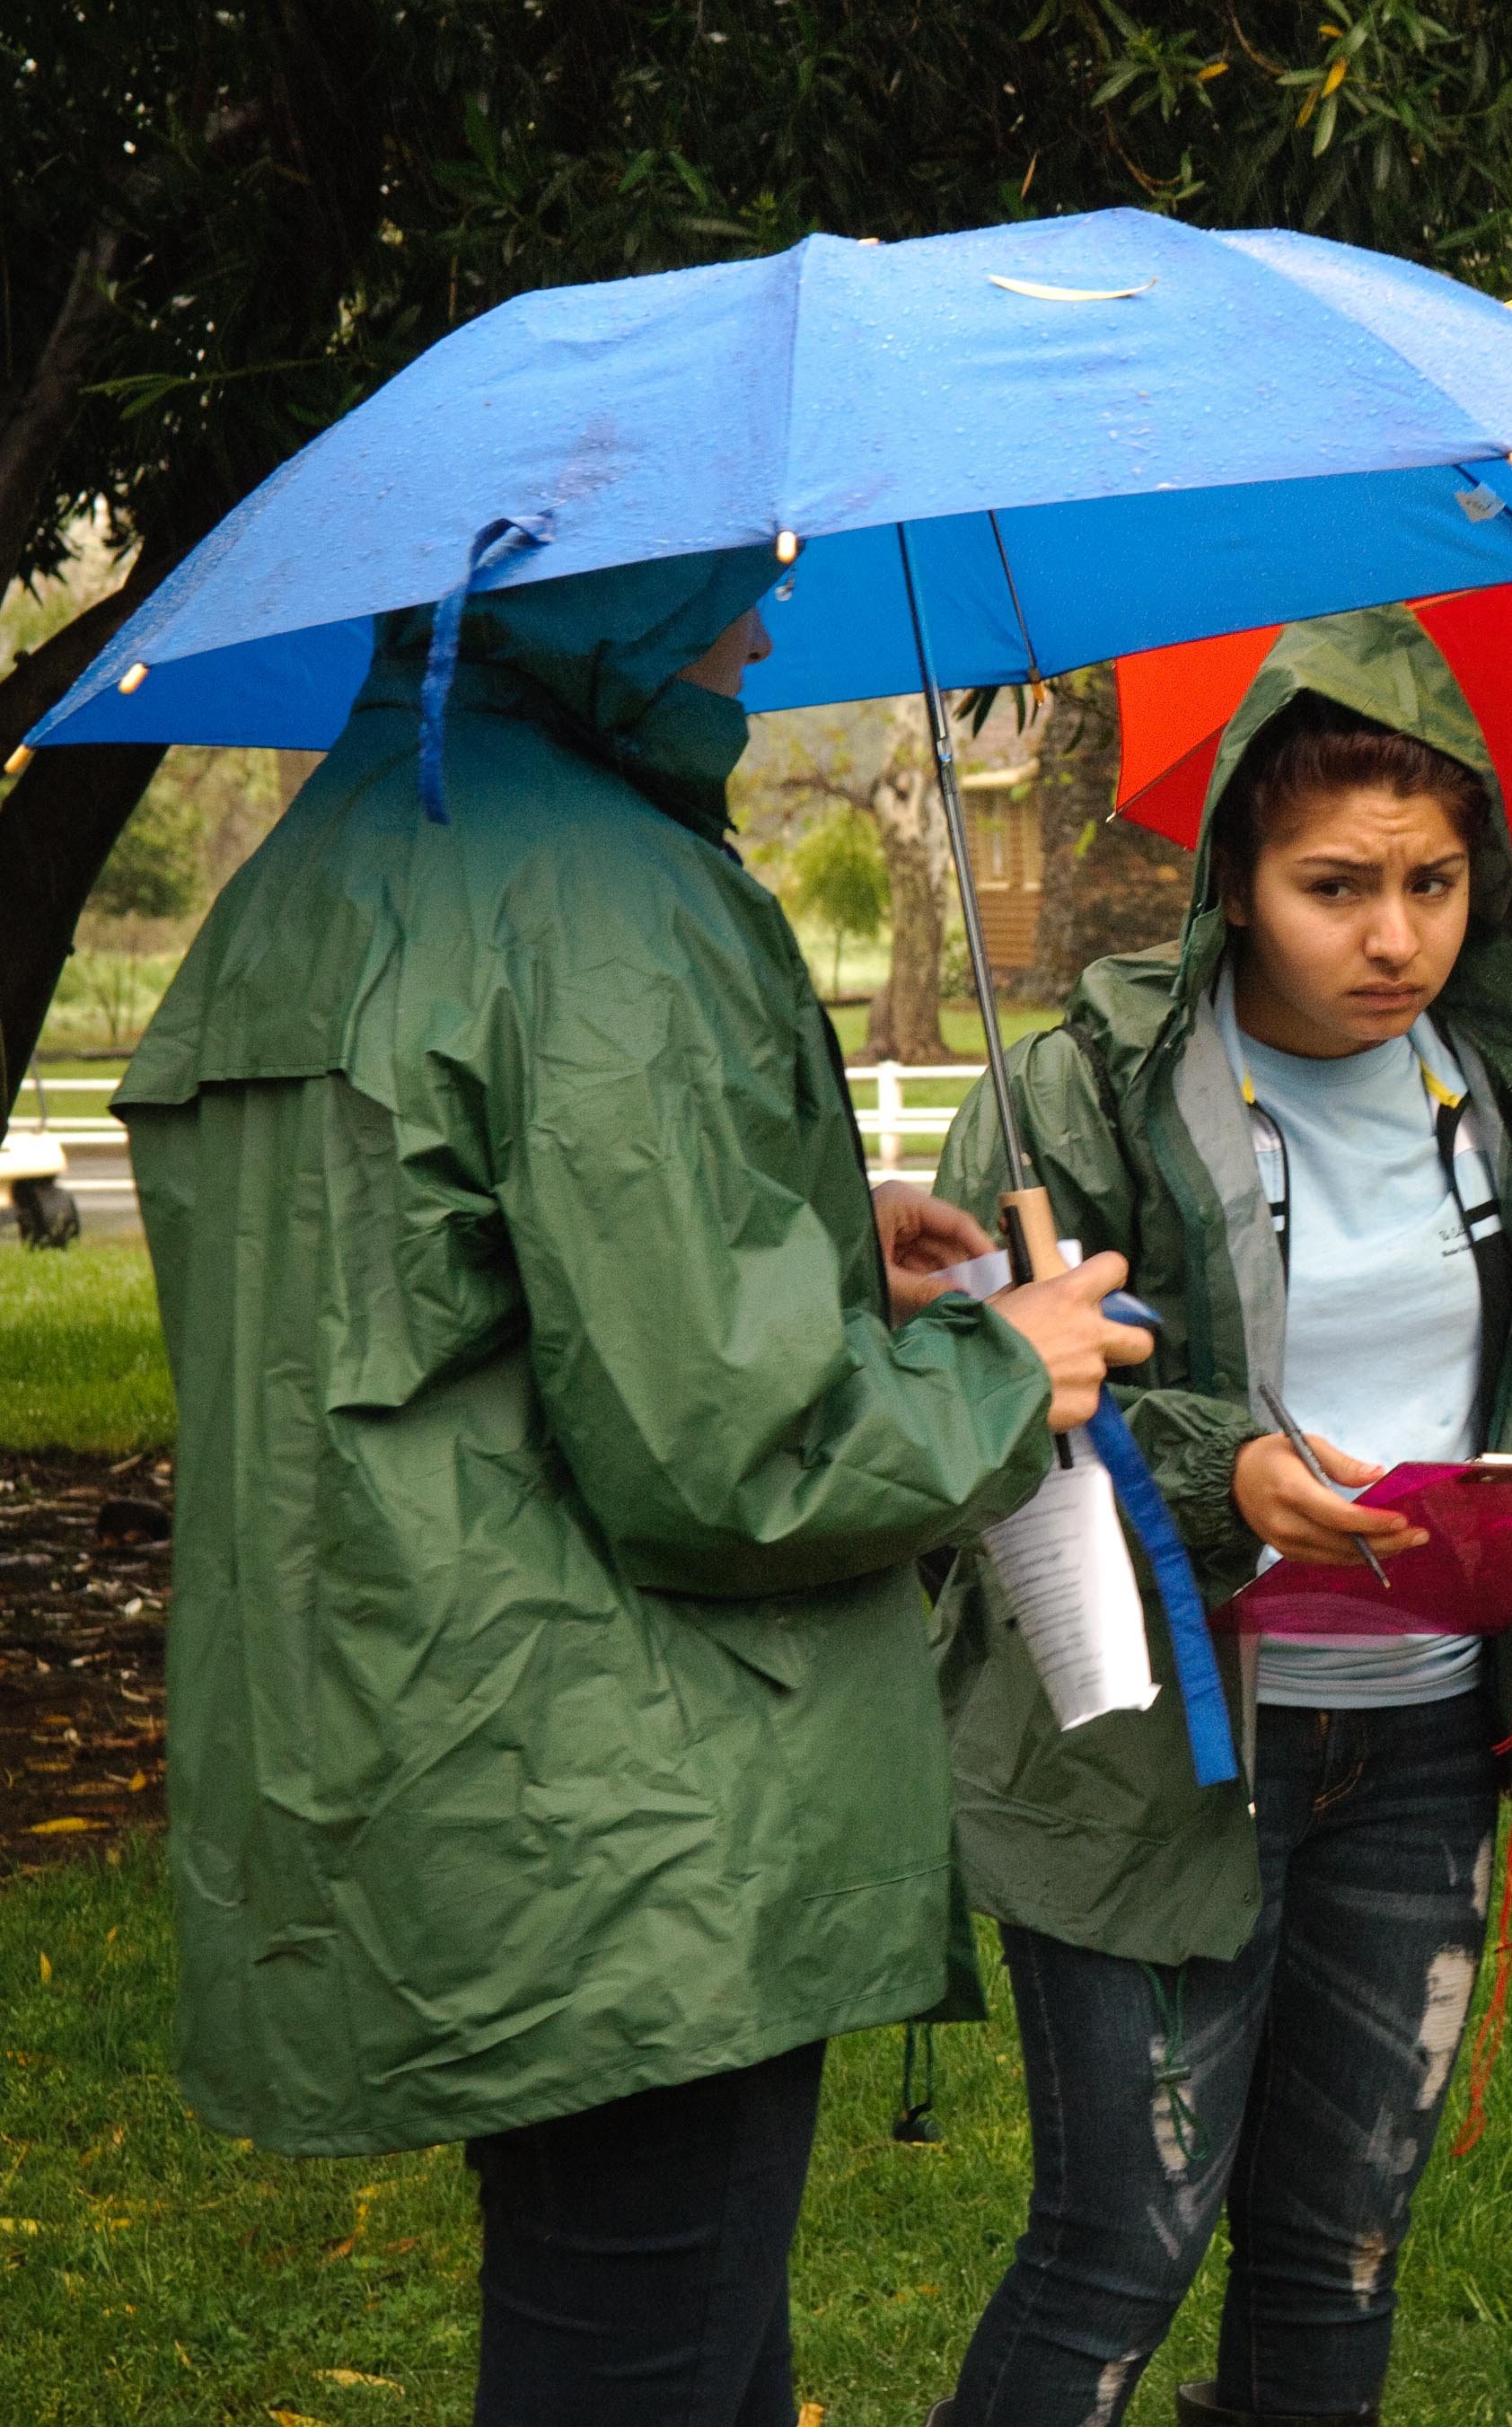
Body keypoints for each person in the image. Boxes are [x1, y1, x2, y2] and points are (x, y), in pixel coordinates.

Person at [115, 546, 1152, 2427]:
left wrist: (818, 1242)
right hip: (639, 1806)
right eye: (724, 583)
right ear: (610, 589)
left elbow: (447, 1286)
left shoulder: (328, 859)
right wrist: (1008, 1362)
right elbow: (734, 1454)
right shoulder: (608, 898)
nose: (759, 628)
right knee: (635, 2351)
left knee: (653, 2332)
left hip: (434, 1759)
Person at [927, 611, 1512, 2427]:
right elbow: (978, 1410)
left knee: (1337, 2260)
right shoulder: (1081, 1098)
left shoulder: (1507, 1104)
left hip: (1425, 1749)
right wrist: (1231, 1476)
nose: (1394, 936)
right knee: (1116, 2251)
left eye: (1433, 884)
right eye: (1334, 886)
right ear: (1236, 882)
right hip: (1152, 1749)